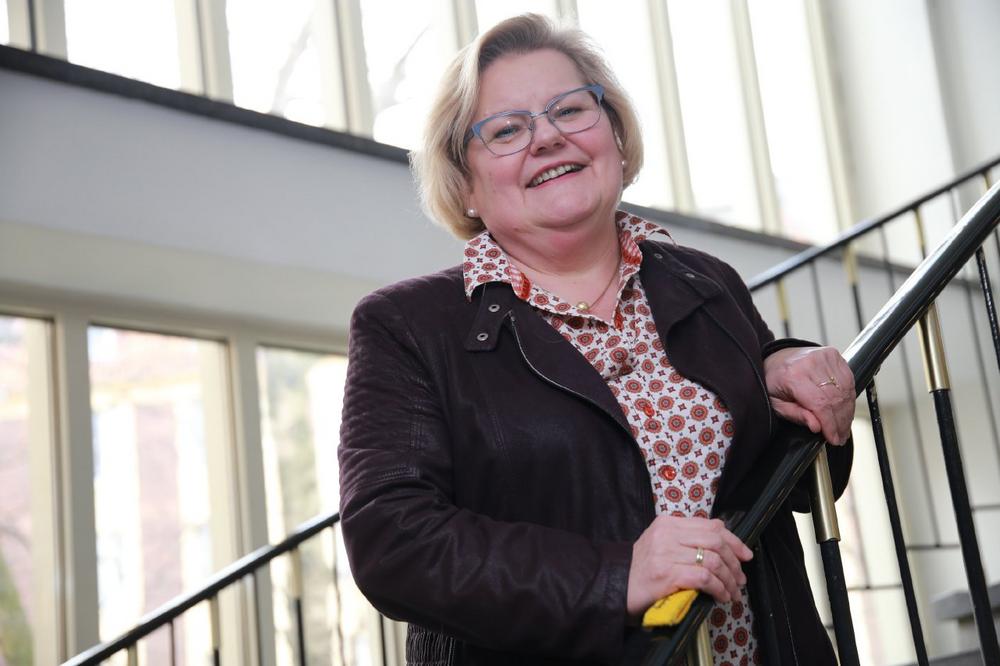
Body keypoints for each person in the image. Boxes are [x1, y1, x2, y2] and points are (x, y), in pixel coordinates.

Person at [339, 14, 855, 666]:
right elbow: (393, 544)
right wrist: (615, 576)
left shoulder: (706, 282)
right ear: (465, 184)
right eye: (506, 130)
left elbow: (796, 482)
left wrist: (790, 368)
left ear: (614, 133)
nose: (548, 137)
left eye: (570, 110)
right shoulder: (407, 325)